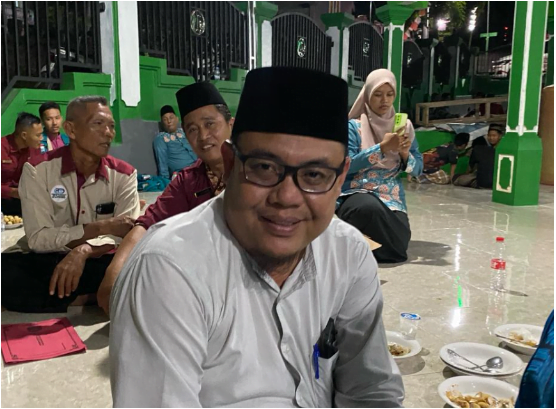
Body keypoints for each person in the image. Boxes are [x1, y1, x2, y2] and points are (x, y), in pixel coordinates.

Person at [110, 67, 405, 408]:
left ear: (340, 181)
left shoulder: (348, 254)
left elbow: (371, 390)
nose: (287, 197)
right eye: (264, 167)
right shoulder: (170, 270)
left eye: (314, 174)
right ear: (230, 163)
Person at [97, 82, 234, 313]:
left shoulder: (256, 170)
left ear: (231, 124)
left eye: (210, 124)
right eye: (192, 129)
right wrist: (112, 278)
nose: (203, 136)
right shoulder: (188, 180)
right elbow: (147, 225)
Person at [1, 96, 139, 313]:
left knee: (136, 265)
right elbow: (38, 239)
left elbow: (128, 235)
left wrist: (84, 250)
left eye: (111, 126)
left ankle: (64, 297)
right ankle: (88, 297)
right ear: (71, 130)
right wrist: (99, 228)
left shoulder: (124, 175)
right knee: (8, 272)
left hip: (98, 256)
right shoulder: (38, 170)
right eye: (98, 123)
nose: (108, 133)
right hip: (48, 257)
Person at [337, 69, 423, 263]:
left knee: (400, 239)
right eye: (377, 94)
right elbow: (345, 164)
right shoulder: (353, 127)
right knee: (367, 208)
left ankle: (360, 248)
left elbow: (418, 169)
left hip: (390, 196)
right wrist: (381, 148)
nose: (384, 100)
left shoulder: (405, 127)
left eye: (390, 94)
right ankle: (356, 249)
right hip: (355, 190)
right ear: (367, 95)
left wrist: (404, 153)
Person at [1, 112, 43, 216]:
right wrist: (12, 192)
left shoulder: (34, 149)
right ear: (24, 135)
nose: (41, 138)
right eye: (38, 135)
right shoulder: (2, 148)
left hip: (23, 202)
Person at [153, 104, 197, 179]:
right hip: (183, 174)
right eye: (165, 119)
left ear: (177, 119)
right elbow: (162, 163)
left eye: (171, 118)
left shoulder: (184, 132)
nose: (169, 121)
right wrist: (165, 181)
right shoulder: (161, 138)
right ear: (162, 123)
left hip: (198, 168)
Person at [453, 124, 504, 189]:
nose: (491, 138)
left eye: (494, 136)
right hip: (493, 182)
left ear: (500, 136)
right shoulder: (485, 149)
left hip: (486, 182)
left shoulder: (481, 149)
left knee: (458, 178)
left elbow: (470, 168)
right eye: (489, 135)